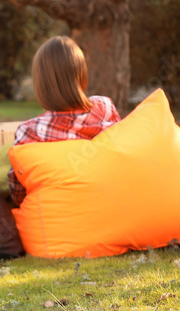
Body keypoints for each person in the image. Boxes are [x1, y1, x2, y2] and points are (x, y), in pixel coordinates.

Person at [7, 36, 121, 206]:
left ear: (41, 84)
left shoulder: (32, 131)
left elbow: (18, 192)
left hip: (62, 214)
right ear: (81, 75)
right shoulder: (105, 106)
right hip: (110, 201)